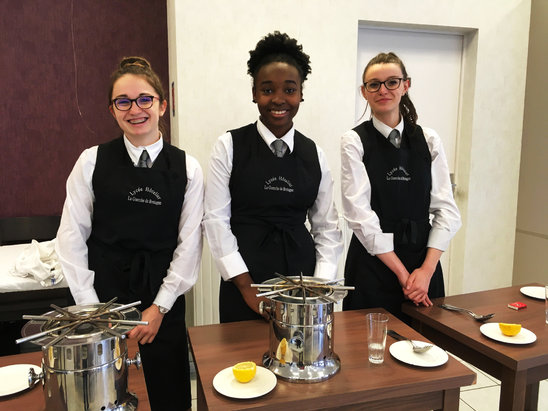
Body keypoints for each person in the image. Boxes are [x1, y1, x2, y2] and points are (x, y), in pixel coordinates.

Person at [56, 56, 203, 410]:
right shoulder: (91, 161)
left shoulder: (188, 168)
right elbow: (71, 237)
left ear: (162, 105)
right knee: (107, 396)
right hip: (105, 292)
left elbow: (189, 245)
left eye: (145, 99)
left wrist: (160, 307)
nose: (134, 109)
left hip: (163, 292)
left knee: (170, 393)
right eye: (123, 101)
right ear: (112, 110)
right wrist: (93, 312)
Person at [203, 31, 343, 323]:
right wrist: (246, 287)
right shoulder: (228, 146)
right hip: (244, 277)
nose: (279, 99)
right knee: (243, 365)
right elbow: (216, 221)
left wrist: (318, 286)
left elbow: (327, 227)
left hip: (301, 281)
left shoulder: (314, 153)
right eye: (267, 90)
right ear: (254, 93)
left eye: (289, 89)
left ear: (301, 93)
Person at [341, 52, 461, 321]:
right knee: (368, 352)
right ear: (364, 91)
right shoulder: (354, 141)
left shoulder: (429, 140)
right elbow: (360, 216)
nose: (383, 90)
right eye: (374, 84)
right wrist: (404, 275)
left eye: (392, 82)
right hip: (372, 265)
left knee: (426, 350)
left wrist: (426, 271)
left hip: (423, 265)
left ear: (406, 85)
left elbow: (447, 211)